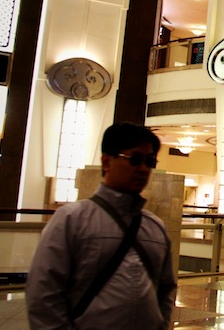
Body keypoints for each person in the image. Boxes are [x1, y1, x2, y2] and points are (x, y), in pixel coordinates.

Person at [26, 122, 177, 330]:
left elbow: (166, 290)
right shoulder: (71, 220)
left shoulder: (155, 228)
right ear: (106, 161)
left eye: (150, 161)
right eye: (134, 159)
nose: (143, 169)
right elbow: (44, 294)